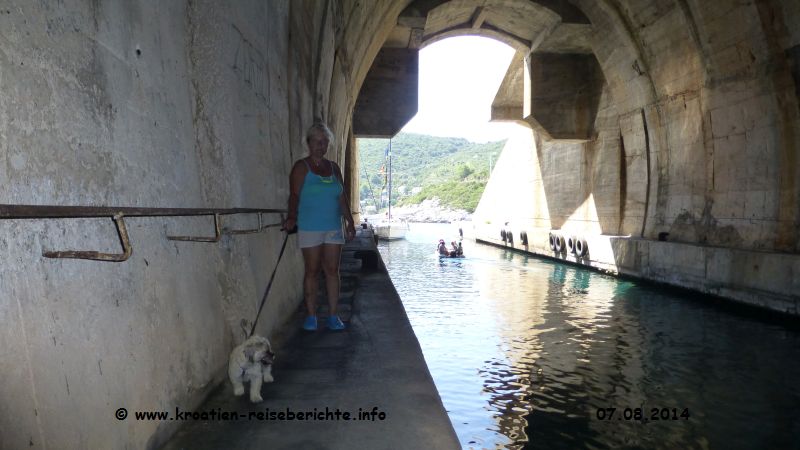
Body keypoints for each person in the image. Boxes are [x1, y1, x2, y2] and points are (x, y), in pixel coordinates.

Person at [283, 122, 356, 331]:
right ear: (309, 143)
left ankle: (333, 316)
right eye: (317, 142)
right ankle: (312, 316)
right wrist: (291, 217)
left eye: (324, 142)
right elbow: (295, 196)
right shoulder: (301, 167)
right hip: (310, 226)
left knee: (332, 270)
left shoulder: (333, 168)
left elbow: (341, 196)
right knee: (312, 271)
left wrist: (349, 221)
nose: (321, 146)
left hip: (333, 225)